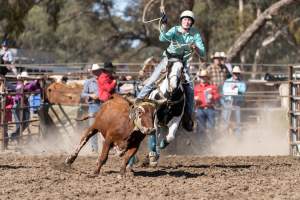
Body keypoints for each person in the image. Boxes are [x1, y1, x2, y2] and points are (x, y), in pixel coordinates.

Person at [136, 10, 206, 132]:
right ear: (181, 21)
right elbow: (162, 38)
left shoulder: (195, 34)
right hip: (168, 60)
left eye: (189, 20)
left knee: (189, 88)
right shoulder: (174, 30)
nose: (187, 21)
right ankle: (137, 103)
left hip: (182, 63)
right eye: (185, 19)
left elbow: (203, 53)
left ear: (192, 22)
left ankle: (187, 117)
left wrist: (196, 47)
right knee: (152, 80)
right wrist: (163, 25)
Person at [10, 71, 41, 140]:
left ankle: (14, 135)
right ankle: (15, 137)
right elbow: (28, 87)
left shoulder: (26, 84)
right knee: (20, 123)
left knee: (25, 122)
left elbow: (36, 87)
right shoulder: (21, 84)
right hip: (18, 104)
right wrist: (37, 80)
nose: (25, 79)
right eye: (24, 78)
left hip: (24, 104)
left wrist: (37, 81)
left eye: (26, 78)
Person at [81, 64, 103, 153]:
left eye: (98, 71)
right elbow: (83, 94)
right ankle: (94, 148)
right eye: (95, 71)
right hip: (93, 106)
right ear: (92, 72)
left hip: (103, 106)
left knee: (105, 128)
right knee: (93, 128)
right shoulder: (88, 82)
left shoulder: (103, 81)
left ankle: (106, 147)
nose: (96, 73)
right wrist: (91, 95)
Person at [222, 66, 246, 136]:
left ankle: (238, 135)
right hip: (228, 102)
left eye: (237, 73)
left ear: (239, 74)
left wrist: (236, 89)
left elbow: (243, 91)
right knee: (225, 119)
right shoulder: (227, 81)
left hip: (237, 103)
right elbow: (224, 91)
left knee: (237, 119)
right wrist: (233, 90)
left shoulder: (241, 82)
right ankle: (225, 134)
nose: (236, 74)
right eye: (235, 73)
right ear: (232, 73)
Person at [194, 69, 220, 137]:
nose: (203, 78)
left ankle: (211, 142)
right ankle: (201, 143)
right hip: (200, 109)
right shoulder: (196, 88)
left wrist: (213, 97)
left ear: (207, 78)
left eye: (204, 77)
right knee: (200, 128)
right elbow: (193, 97)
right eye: (201, 77)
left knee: (211, 127)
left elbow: (217, 96)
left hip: (210, 108)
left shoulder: (212, 87)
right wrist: (195, 99)